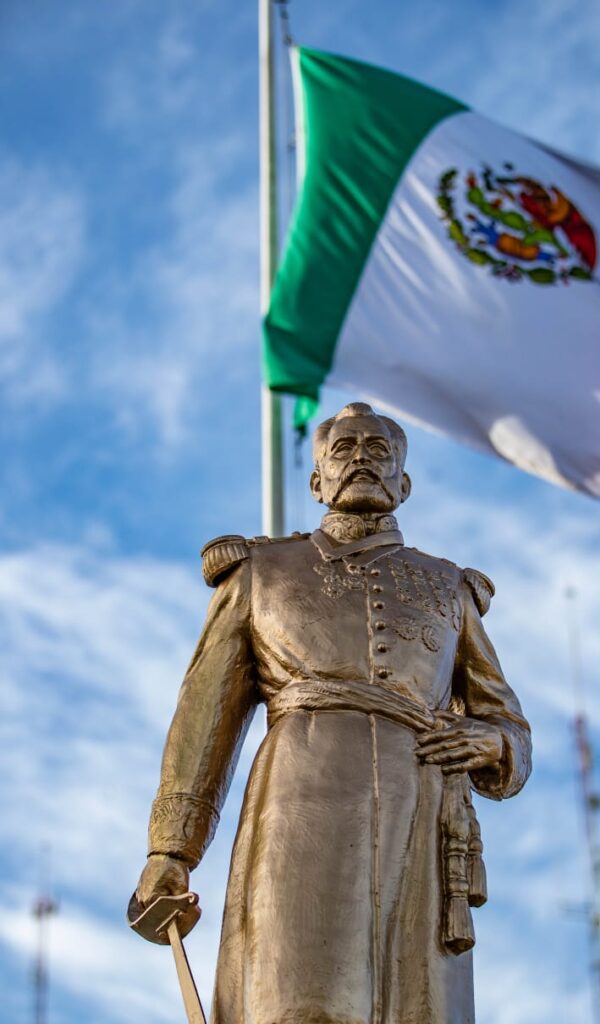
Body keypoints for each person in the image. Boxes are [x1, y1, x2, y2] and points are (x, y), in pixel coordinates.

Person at [134, 401, 532, 1024]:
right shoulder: (260, 572)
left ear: (404, 483)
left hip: (420, 814)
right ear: (317, 481)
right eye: (344, 450)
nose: (361, 460)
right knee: (297, 998)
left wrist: (493, 743)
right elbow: (203, 716)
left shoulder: (449, 587)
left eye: (379, 451)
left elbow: (505, 721)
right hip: (299, 802)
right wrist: (171, 851)